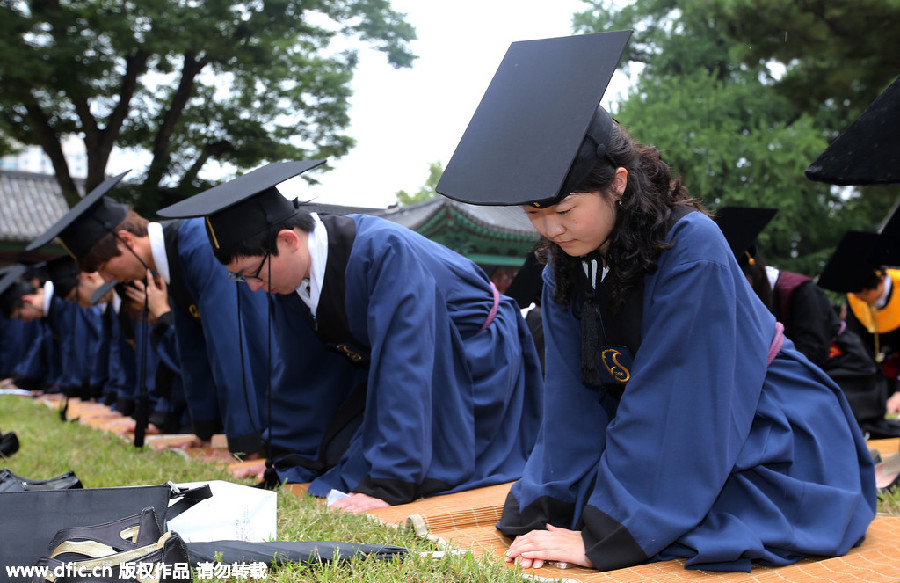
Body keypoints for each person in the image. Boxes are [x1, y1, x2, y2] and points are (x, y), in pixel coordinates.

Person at [435, 31, 874, 572]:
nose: (551, 229)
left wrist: (605, 535)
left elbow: (683, 389)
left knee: (723, 516)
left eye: (565, 210)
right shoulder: (564, 264)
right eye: (533, 214)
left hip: (757, 411)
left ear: (617, 183)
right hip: (661, 418)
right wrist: (545, 502)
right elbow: (570, 395)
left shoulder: (692, 245)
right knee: (566, 507)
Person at [157, 160, 544, 512]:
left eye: (254, 273)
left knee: (435, 470)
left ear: (289, 240)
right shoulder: (285, 277)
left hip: (472, 353)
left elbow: (405, 363)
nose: (254, 287)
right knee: (335, 458)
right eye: (241, 278)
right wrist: (285, 461)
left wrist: (389, 482)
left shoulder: (383, 251)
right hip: (406, 359)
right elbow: (297, 372)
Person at [27, 173, 269, 456]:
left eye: (104, 265)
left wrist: (244, 443)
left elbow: (231, 347)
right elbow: (193, 353)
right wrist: (205, 433)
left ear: (127, 241)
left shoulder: (200, 246)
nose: (106, 278)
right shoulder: (174, 254)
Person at [717, 208, 900, 438]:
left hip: (844, 371)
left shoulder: (799, 291)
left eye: (746, 281)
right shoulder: (745, 297)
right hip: (796, 374)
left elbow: (812, 351)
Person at [817, 230, 900, 424]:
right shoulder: (855, 298)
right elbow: (855, 342)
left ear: (880, 281)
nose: (861, 300)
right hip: (877, 369)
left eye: (864, 294)